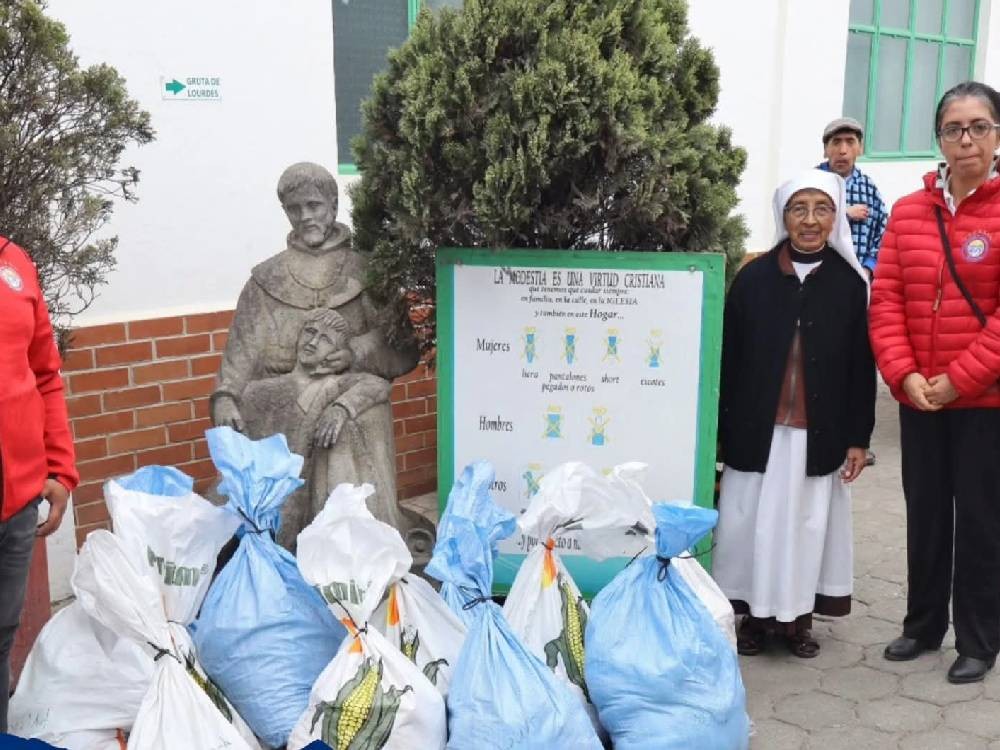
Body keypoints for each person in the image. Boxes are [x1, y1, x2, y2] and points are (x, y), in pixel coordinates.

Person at [713, 169, 876, 658]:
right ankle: (755, 620)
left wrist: (858, 439)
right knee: (749, 527)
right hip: (756, 431)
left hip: (817, 434)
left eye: (822, 209)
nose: (810, 220)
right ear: (783, 217)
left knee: (805, 530)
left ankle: (798, 619)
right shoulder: (754, 279)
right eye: (798, 209)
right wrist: (720, 430)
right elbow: (730, 356)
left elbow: (860, 367)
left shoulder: (849, 284)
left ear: (835, 217)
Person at [210, 162, 419, 542]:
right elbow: (240, 353)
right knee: (261, 411)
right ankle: (269, 546)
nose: (305, 216)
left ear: (333, 205)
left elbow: (402, 348)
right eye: (295, 209)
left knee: (337, 433)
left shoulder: (366, 271)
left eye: (314, 206)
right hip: (284, 405)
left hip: (354, 401)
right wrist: (226, 398)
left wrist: (354, 352)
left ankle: (348, 548)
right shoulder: (265, 280)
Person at [869, 81, 1000, 684]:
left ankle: (977, 638)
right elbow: (887, 298)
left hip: (984, 400)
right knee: (924, 513)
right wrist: (904, 374)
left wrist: (958, 380)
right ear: (939, 138)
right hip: (919, 395)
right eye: (953, 128)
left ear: (997, 136)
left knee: (979, 518)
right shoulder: (908, 211)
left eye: (978, 126)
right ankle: (922, 626)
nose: (965, 139)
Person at [0, 236, 78, 731]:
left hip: (17, 503)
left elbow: (45, 373)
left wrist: (59, 468)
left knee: (3, 634)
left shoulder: (15, 260)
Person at [239, 308, 391, 549]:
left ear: (336, 354)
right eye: (309, 332)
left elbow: (378, 385)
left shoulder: (333, 385)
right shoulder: (258, 391)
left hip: (299, 500)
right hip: (256, 496)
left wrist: (341, 407)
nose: (312, 342)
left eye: (325, 339)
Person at [819, 117, 888, 279]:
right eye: (836, 142)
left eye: (850, 142)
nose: (843, 150)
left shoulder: (868, 188)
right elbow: (799, 227)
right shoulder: (812, 184)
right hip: (818, 277)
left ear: (860, 149)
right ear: (825, 150)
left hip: (858, 277)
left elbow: (884, 231)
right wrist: (844, 214)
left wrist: (869, 267)